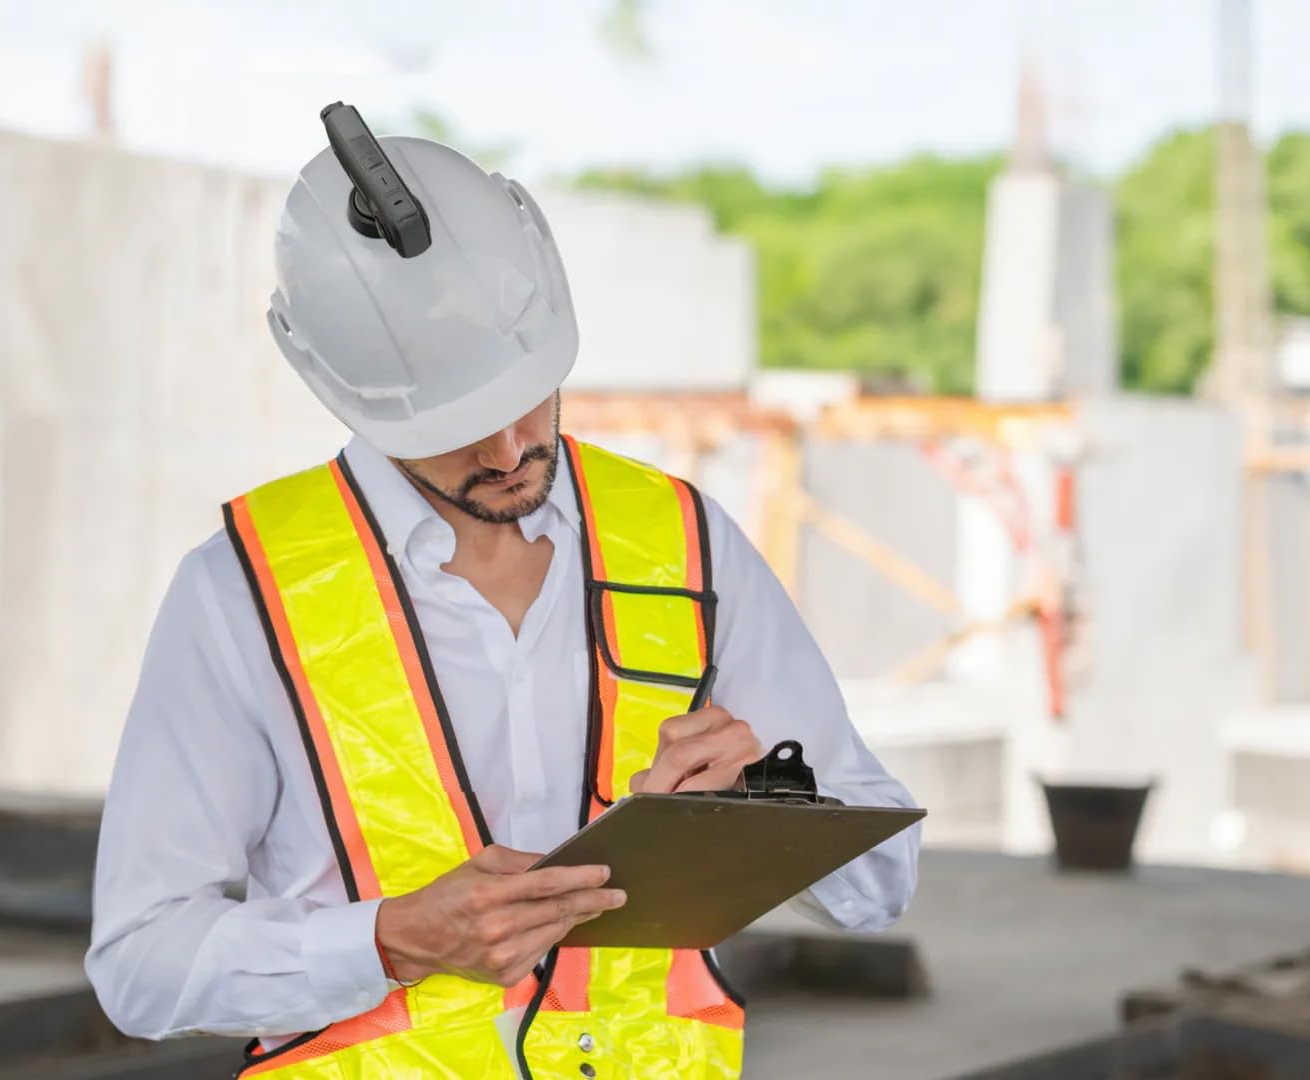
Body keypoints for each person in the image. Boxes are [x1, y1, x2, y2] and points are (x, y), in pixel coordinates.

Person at [86, 105, 920, 1079]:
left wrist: (765, 808)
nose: (508, 450)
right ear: (336, 384)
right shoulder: (243, 594)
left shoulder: (686, 547)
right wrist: (388, 941)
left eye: (523, 394)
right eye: (452, 423)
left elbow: (881, 879)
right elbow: (140, 967)